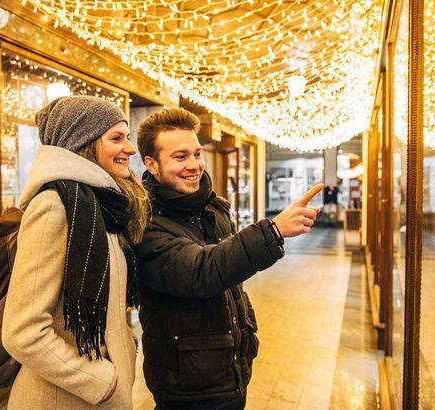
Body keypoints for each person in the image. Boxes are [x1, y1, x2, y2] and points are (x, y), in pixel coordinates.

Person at [135, 108, 322, 409]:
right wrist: (272, 231)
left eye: (197, 154)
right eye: (180, 157)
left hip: (232, 368)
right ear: (152, 164)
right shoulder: (145, 222)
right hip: (186, 383)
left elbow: (229, 273)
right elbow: (200, 272)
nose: (194, 165)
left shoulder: (215, 207)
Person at [2, 96, 149, 409]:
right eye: (117, 138)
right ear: (85, 142)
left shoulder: (99, 205)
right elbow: (22, 331)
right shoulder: (55, 205)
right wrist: (99, 380)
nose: (131, 148)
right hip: (62, 398)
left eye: (128, 137)